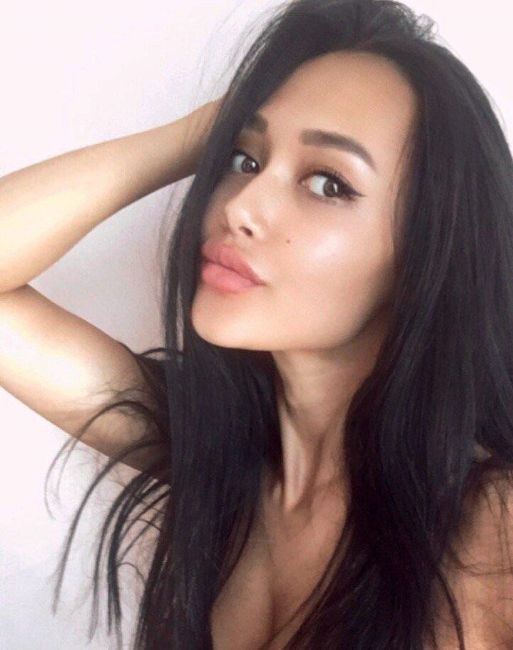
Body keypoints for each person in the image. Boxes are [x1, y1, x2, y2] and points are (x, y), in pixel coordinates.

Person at [0, 0, 512, 648]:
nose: (240, 206)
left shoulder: (491, 529)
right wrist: (203, 133)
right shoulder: (213, 458)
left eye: (327, 183)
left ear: (429, 251)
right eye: (244, 161)